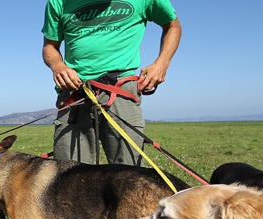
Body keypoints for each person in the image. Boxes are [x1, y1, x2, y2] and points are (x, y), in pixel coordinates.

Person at [41, 0, 181, 166]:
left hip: (120, 92)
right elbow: (50, 46)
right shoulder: (59, 2)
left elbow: (173, 26)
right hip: (74, 93)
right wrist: (58, 66)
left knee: (129, 176)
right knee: (68, 174)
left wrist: (162, 64)